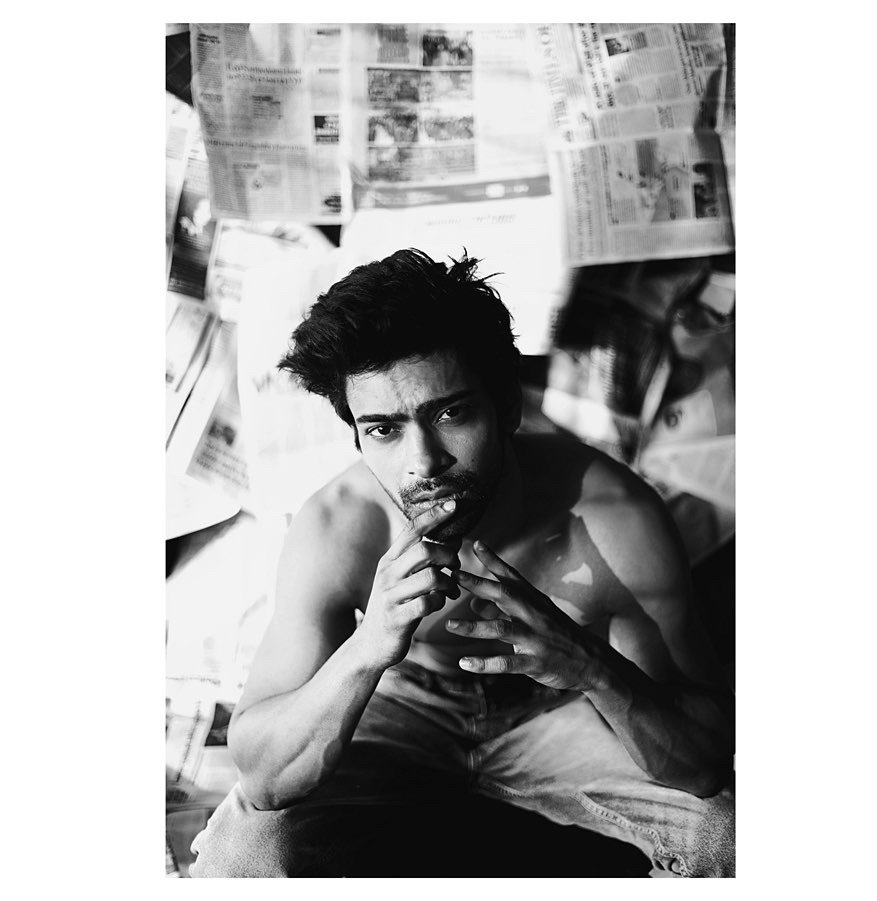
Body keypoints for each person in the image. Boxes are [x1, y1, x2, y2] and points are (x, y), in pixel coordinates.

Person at [190, 248, 735, 877]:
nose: (423, 462)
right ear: (358, 436)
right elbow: (262, 777)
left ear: (506, 408)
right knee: (240, 856)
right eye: (384, 429)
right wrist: (368, 647)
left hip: (553, 706)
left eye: (450, 413)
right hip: (405, 704)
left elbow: (704, 762)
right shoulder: (340, 526)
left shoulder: (613, 519)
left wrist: (591, 667)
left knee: (727, 834)